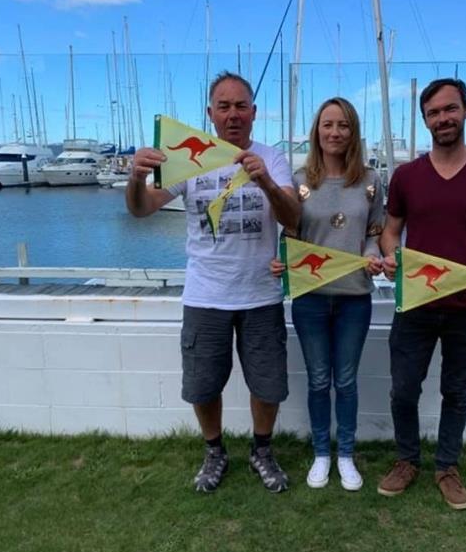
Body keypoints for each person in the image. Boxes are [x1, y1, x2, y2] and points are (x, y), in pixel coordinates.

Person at [126, 72, 300, 493]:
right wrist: (135, 178)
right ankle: (214, 451)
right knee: (203, 384)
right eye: (224, 106)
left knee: (268, 383)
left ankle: (261, 449)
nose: (233, 114)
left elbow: (294, 219)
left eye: (241, 105)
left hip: (261, 294)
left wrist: (267, 183)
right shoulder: (191, 158)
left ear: (254, 113)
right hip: (206, 295)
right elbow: (142, 210)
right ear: (210, 114)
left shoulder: (272, 158)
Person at [376, 78, 466, 509]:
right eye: (434, 113)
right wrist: (392, 257)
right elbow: (390, 232)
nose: (443, 118)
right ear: (425, 120)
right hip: (416, 303)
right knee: (403, 389)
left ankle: (446, 466)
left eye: (450, 109)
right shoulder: (406, 176)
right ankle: (407, 460)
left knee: (455, 391)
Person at [271, 97, 384, 491]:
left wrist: (372, 257)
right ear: (316, 131)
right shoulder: (299, 181)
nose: (335, 132)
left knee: (347, 381)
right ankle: (322, 452)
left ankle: (347, 455)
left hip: (355, 297)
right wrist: (280, 262)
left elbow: (373, 236)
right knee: (319, 380)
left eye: (343, 126)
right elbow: (291, 238)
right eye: (327, 125)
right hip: (310, 298)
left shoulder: (370, 181)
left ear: (353, 132)